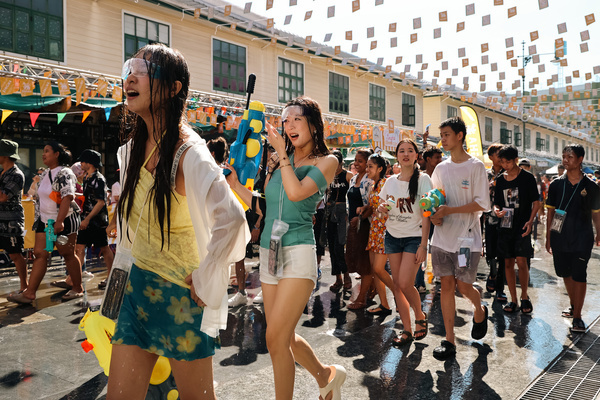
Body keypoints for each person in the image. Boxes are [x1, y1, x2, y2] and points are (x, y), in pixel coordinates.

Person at [105, 44, 248, 399]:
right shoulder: (135, 146)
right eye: (131, 68)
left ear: (173, 88)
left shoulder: (190, 153)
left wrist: (206, 275)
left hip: (180, 297)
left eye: (145, 70)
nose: (131, 77)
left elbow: (232, 217)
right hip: (136, 288)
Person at [225, 96, 346, 400]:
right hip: (270, 251)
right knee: (285, 336)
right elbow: (266, 207)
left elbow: (296, 194)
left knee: (274, 338)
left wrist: (281, 156)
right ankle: (326, 376)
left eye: (296, 119)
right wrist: (237, 185)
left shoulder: (327, 161)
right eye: (285, 120)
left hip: (299, 252)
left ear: (313, 125)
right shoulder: (282, 161)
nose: (288, 126)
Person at [429, 117, 490, 360]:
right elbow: (436, 199)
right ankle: (449, 340)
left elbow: (482, 204)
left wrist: (450, 211)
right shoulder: (440, 168)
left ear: (460, 136)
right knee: (446, 285)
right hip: (441, 239)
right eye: (441, 134)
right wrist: (434, 215)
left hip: (466, 240)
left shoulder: (476, 167)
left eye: (446, 134)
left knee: (464, 286)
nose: (442, 139)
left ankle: (479, 308)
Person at [8, 141, 83, 303]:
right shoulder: (45, 174)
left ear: (57, 154)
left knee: (67, 253)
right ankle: (29, 293)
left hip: (64, 220)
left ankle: (77, 288)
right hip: (44, 221)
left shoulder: (65, 173)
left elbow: (68, 197)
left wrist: (60, 221)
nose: (43, 154)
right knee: (40, 254)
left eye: (47, 151)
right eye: (43, 151)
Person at [378, 139, 431, 346]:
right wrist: (382, 208)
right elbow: (385, 205)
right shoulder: (390, 181)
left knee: (404, 282)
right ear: (397, 155)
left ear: (417, 155)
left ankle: (420, 315)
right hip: (392, 236)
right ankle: (407, 330)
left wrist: (424, 245)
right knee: (398, 286)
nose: (406, 154)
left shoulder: (423, 180)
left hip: (414, 237)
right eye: (402, 151)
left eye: (410, 151)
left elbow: (426, 214)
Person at [546, 144, 600, 334]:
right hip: (559, 236)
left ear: (580, 159)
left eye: (570, 156)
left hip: (582, 237)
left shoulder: (591, 187)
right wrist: (547, 237)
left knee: (579, 274)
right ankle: (573, 304)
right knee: (564, 273)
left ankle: (577, 316)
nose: (565, 160)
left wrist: (598, 232)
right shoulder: (555, 185)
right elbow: (550, 213)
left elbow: (596, 213)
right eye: (563, 156)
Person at [493, 146, 540, 314]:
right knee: (507, 262)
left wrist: (530, 221)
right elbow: (497, 202)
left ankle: (525, 296)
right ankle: (513, 299)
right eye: (502, 162)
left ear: (516, 160)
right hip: (505, 226)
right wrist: (496, 210)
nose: (505, 165)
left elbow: (536, 202)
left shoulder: (527, 178)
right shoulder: (500, 179)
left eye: (508, 162)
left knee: (521, 261)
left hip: (522, 225)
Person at [76, 149, 114, 290]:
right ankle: (73, 279)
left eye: (83, 161)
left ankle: (110, 275)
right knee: (79, 248)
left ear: (89, 163)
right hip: (87, 218)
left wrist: (87, 219)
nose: (81, 164)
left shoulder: (98, 179)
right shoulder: (87, 177)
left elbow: (101, 202)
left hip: (97, 221)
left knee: (104, 248)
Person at [360, 153, 392, 316]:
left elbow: (391, 206)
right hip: (375, 230)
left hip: (384, 231)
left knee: (379, 269)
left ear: (380, 168)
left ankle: (402, 295)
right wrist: (365, 209)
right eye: (367, 166)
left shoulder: (386, 183)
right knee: (375, 269)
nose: (367, 169)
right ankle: (385, 305)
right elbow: (373, 207)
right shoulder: (374, 185)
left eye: (370, 166)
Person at [346, 148, 374, 310]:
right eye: (355, 160)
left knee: (365, 264)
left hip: (366, 225)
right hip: (353, 225)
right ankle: (372, 289)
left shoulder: (370, 181)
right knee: (356, 260)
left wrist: (361, 217)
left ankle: (362, 298)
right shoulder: (354, 178)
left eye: (360, 161)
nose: (356, 164)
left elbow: (372, 205)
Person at [0, 139, 28, 293]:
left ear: (5, 155)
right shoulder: (2, 173)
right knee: (14, 254)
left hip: (11, 221)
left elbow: (3, 197)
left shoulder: (17, 174)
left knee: (15, 254)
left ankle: (25, 287)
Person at [326, 150, 352, 292]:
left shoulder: (348, 175)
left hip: (343, 214)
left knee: (340, 246)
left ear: (341, 162)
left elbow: (354, 195)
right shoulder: (327, 176)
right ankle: (338, 278)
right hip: (330, 213)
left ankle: (347, 275)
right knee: (332, 247)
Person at [484, 144, 506, 301]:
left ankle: (500, 288)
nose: (502, 157)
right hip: (490, 218)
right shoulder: (485, 175)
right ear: (491, 157)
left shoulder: (509, 174)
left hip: (506, 220)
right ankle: (492, 273)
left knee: (503, 254)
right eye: (499, 154)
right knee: (491, 252)